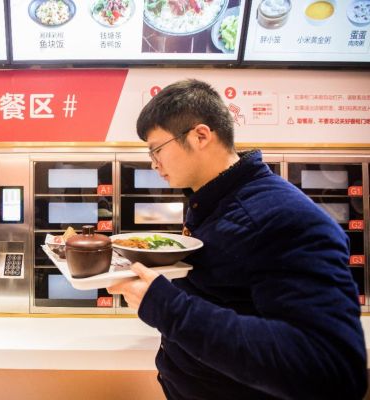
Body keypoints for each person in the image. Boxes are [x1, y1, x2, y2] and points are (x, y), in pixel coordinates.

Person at [107, 79, 367, 399]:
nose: (153, 162)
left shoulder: (286, 218)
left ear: (201, 136)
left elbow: (332, 370)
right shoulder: (213, 203)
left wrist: (166, 307)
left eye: (157, 149)